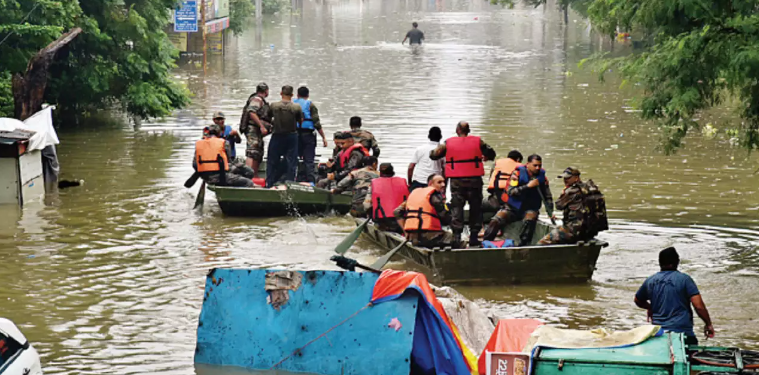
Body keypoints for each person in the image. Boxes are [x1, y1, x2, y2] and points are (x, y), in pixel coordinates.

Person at [429, 121, 496, 247]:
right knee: (476, 208)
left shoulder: (448, 143)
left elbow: (433, 155)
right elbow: (491, 153)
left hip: (457, 181)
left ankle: (457, 237)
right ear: (468, 130)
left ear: (457, 130)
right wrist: (486, 157)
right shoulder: (478, 141)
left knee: (457, 208)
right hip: (475, 180)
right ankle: (474, 237)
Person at [635, 247, 714, 345]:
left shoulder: (650, 281)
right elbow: (698, 306)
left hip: (659, 334)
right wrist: (708, 324)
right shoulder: (685, 280)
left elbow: (638, 300)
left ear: (660, 263)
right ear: (677, 262)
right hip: (683, 334)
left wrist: (650, 307)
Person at [482, 154, 555, 246]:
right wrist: (527, 186)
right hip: (512, 208)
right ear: (528, 164)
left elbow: (548, 196)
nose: (537, 168)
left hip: (530, 208)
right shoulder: (517, 174)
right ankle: (486, 242)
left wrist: (550, 212)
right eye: (535, 165)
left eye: (539, 166)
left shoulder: (542, 178)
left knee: (530, 220)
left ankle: (523, 245)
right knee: (496, 220)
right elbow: (511, 191)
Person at [538, 167, 609, 245]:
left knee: (542, 243)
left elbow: (559, 206)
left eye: (568, 178)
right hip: (590, 231)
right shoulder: (590, 189)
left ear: (576, 178)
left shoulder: (571, 191)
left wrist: (563, 192)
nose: (565, 180)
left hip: (573, 230)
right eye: (564, 178)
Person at [394, 174, 459, 248]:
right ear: (430, 183)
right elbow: (446, 218)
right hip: (429, 237)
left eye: (444, 182)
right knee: (456, 239)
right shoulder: (435, 196)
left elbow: (397, 212)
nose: (443, 185)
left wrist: (406, 232)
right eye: (439, 182)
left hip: (413, 237)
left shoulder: (415, 194)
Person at [266, 85, 303, 187]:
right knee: (292, 161)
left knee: (272, 160)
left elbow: (268, 118)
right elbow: (300, 121)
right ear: (292, 95)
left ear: (281, 93)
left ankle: (269, 183)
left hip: (277, 135)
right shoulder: (296, 107)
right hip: (291, 136)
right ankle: (290, 184)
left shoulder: (274, 106)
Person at [293, 86, 328, 183]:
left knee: (293, 158)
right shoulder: (310, 105)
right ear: (308, 95)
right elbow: (316, 123)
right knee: (309, 160)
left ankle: (291, 179)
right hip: (308, 135)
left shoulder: (292, 104)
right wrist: (324, 138)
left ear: (297, 95)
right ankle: (311, 182)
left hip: (294, 134)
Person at [239, 83, 273, 177]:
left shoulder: (260, 100)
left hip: (256, 130)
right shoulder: (257, 99)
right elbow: (251, 112)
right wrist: (261, 126)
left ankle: (254, 176)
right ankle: (247, 176)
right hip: (252, 129)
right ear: (266, 91)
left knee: (258, 153)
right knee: (252, 152)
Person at [365, 163, 408, 233]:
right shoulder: (403, 182)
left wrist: (368, 214)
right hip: (403, 221)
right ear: (393, 172)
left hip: (383, 222)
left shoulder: (374, 183)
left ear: (380, 173)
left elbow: (366, 205)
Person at [408, 126, 445, 193]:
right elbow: (444, 169)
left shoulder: (420, 149)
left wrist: (410, 182)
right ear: (440, 137)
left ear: (428, 136)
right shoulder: (443, 151)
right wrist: (444, 185)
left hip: (419, 182)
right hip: (435, 183)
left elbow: (411, 167)